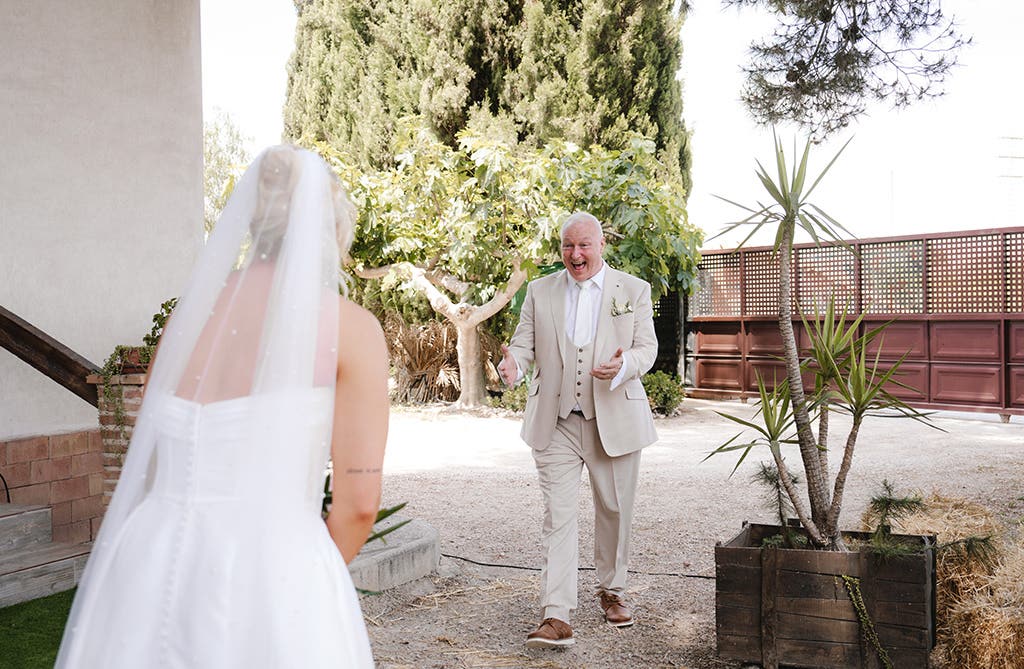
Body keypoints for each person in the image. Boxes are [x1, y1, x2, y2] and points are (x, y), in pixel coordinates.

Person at [56, 145, 389, 667]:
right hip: (273, 569)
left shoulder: (185, 320)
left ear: (249, 221)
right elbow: (359, 506)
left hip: (149, 564)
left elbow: (151, 458)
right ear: (328, 228)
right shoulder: (352, 330)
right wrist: (299, 594)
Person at [497, 211, 658, 648]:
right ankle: (556, 614)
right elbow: (523, 345)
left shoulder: (634, 290)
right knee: (558, 516)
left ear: (602, 245)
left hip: (615, 419)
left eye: (584, 244)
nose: (576, 253)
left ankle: (613, 591)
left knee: (615, 510)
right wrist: (514, 365)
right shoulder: (539, 291)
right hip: (557, 422)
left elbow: (647, 349)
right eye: (568, 245)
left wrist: (624, 365)